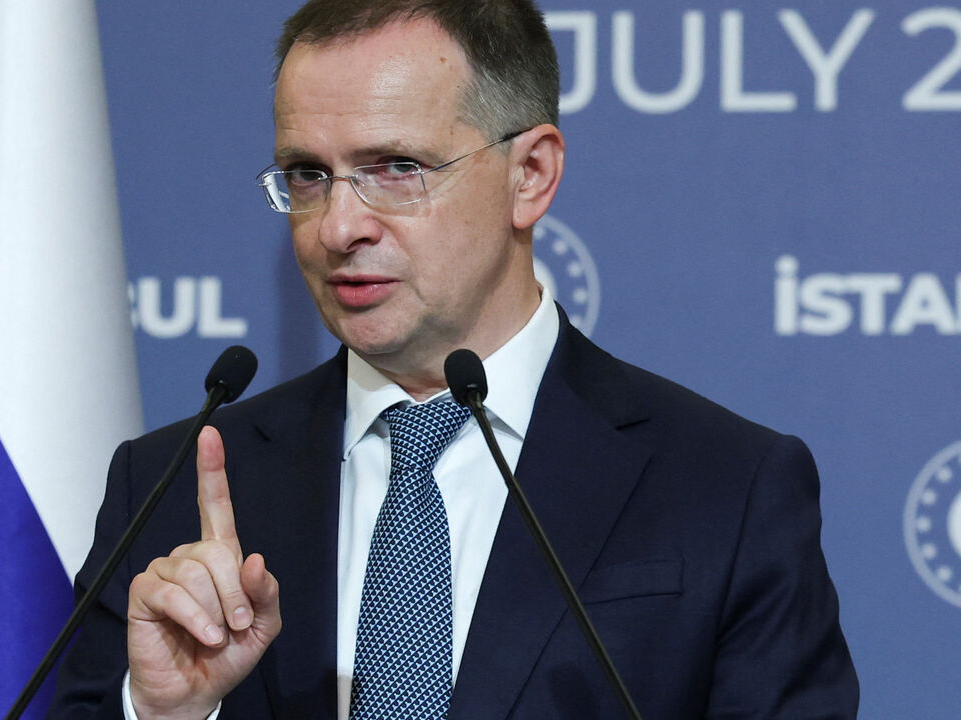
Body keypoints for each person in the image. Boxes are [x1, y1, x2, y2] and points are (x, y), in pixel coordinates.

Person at [49, 0, 859, 718]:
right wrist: (164, 715)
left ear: (530, 174)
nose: (337, 227)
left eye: (395, 168)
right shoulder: (170, 487)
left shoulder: (726, 487)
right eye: (308, 175)